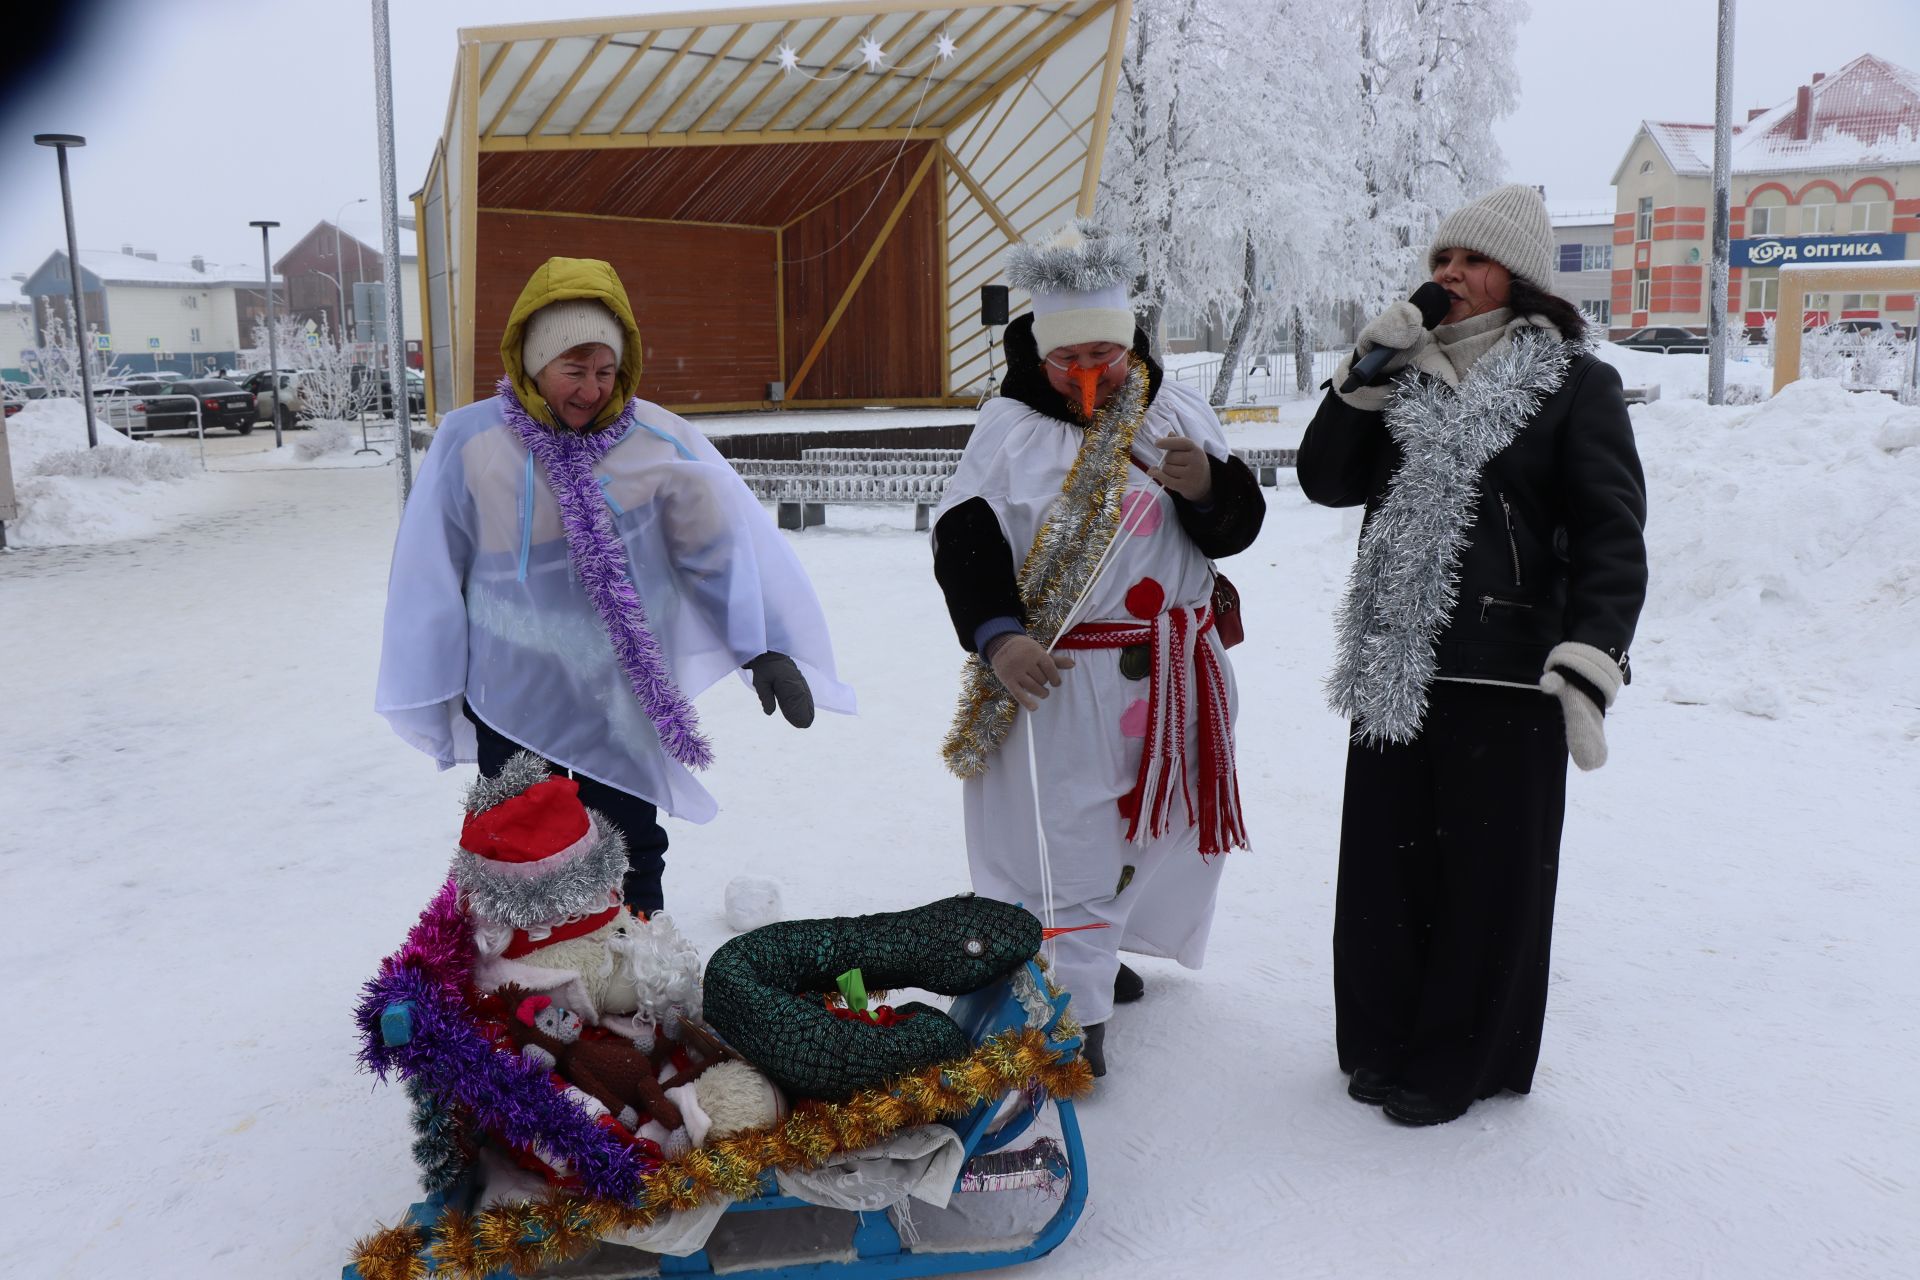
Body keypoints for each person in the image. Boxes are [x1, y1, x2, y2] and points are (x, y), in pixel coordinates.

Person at [1296, 184, 1647, 1126]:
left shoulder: (1575, 384)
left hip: (1509, 668)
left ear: (1519, 280)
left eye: (1469, 262)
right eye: (1440, 260)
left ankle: (1459, 1062)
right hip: (1394, 662)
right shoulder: (1399, 375)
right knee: (1381, 874)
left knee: (1486, 886)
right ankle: (1377, 1043)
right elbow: (1325, 480)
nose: (1446, 276)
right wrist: (1364, 372)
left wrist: (1591, 654)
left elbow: (1611, 533)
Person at [376, 256, 853, 913]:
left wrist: (761, 647)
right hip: (512, 688)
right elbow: (432, 568)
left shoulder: (657, 442)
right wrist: (435, 675)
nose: (593, 389)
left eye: (606, 372)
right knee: (519, 838)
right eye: (575, 370)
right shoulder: (472, 441)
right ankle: (526, 975)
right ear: (534, 363)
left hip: (619, 689)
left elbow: (715, 555)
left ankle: (635, 962)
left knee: (627, 837)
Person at [932, 222, 1264, 1076]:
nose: (1089, 375)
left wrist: (1210, 490)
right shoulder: (1008, 431)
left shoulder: (1176, 410)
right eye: (1067, 358)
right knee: (1068, 843)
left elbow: (1235, 529)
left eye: (1106, 357)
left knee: (1150, 833)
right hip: (1065, 684)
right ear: (1037, 353)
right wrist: (1000, 638)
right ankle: (1067, 1024)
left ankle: (1095, 956)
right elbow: (964, 545)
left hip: (1174, 675)